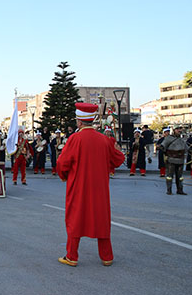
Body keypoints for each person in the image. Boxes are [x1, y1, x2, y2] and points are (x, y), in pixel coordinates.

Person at [56, 103, 125, 268]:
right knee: (102, 218)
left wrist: (63, 176)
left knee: (75, 218)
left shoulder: (75, 138)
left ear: (80, 122)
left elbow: (62, 163)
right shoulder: (104, 139)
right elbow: (118, 159)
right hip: (100, 188)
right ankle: (106, 256)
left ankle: (72, 256)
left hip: (79, 186)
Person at [161, 126, 190, 195]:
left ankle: (180, 189)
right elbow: (163, 147)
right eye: (177, 129)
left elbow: (186, 148)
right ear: (174, 130)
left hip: (180, 160)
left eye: (180, 129)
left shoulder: (182, 139)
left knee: (180, 177)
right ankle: (169, 190)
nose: (179, 130)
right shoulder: (169, 138)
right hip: (171, 160)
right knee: (169, 176)